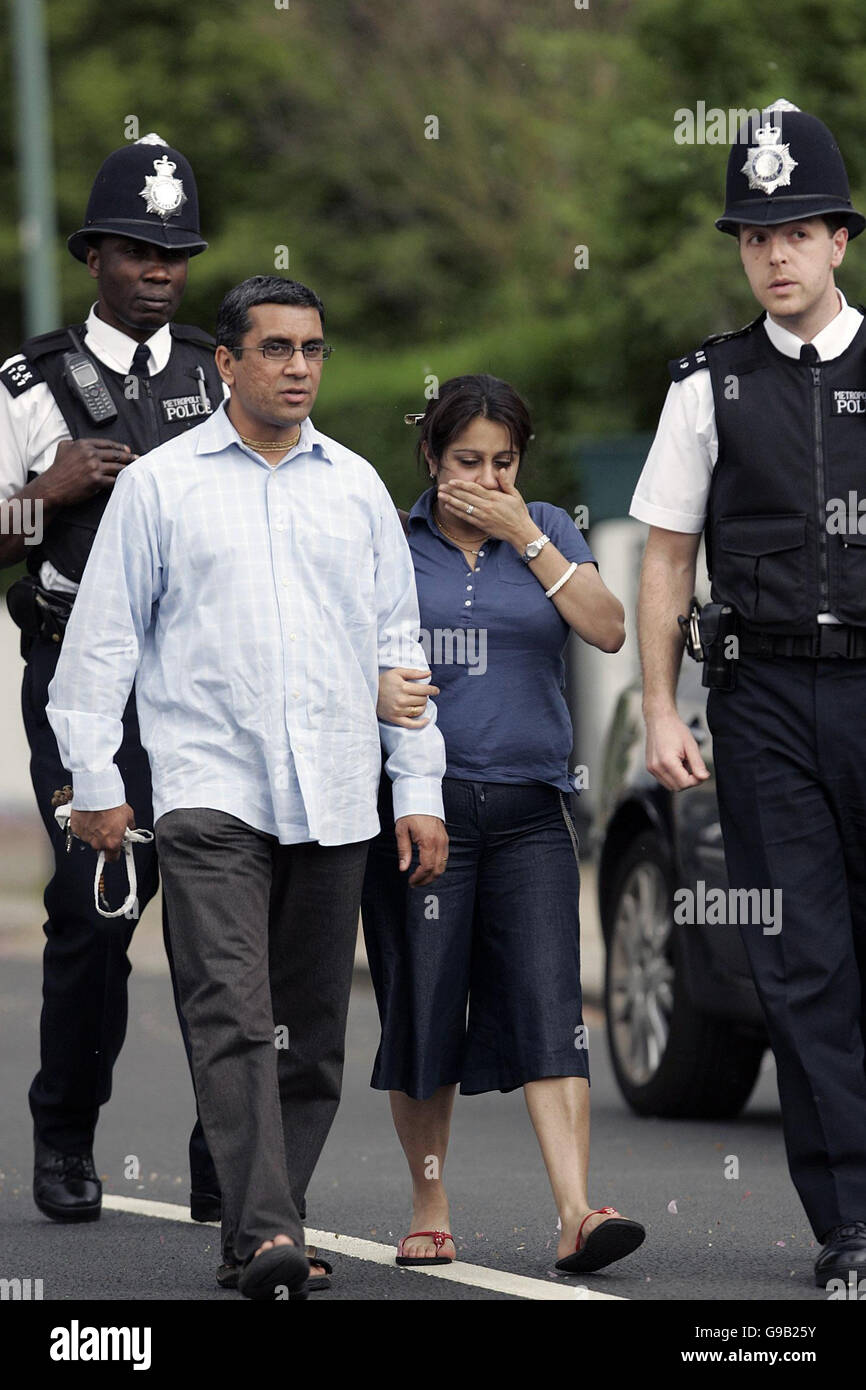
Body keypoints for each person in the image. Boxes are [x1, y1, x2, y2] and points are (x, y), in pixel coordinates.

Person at [45, 274, 449, 1300]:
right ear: (224, 363)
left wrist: (419, 790)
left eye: (311, 348)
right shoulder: (161, 486)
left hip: (335, 792)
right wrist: (95, 779)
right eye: (274, 349)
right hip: (206, 793)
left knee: (309, 1035)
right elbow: (99, 646)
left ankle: (253, 1230)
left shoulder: (354, 486)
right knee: (230, 1008)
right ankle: (270, 1231)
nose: (298, 367)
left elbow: (399, 653)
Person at [631, 100, 866, 1287]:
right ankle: (849, 1226)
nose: (771, 254)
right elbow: (664, 554)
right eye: (751, 234)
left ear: (837, 239)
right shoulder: (705, 386)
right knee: (804, 960)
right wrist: (663, 709)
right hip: (764, 700)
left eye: (794, 231)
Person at [365, 373, 645, 1275]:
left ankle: (575, 1213)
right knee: (427, 1009)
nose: (486, 479)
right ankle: (429, 1202)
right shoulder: (389, 540)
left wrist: (528, 535)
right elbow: (341, 654)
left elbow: (606, 628)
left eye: (504, 463)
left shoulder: (553, 527)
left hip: (531, 810)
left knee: (552, 1008)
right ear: (430, 459)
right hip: (422, 813)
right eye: (466, 462)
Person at [0, 134, 223, 1228]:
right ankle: (64, 1136)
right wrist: (44, 490)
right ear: (94, 255)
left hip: (201, 681)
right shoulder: (29, 381)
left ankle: (223, 1153)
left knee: (219, 914)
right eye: (138, 249)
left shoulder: (218, 373)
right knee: (96, 908)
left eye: (175, 253)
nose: (160, 270)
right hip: (75, 677)